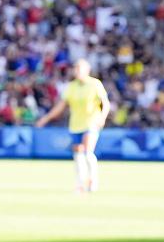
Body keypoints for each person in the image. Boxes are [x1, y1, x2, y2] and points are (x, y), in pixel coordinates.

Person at [35, 59, 110, 192]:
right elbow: (60, 106)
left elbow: (105, 103)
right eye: (75, 69)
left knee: (87, 152)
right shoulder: (71, 87)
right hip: (75, 125)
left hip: (91, 123)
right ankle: (80, 183)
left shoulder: (95, 84)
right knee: (78, 155)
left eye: (79, 69)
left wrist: (102, 118)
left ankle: (92, 180)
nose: (77, 72)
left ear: (87, 70)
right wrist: (45, 119)